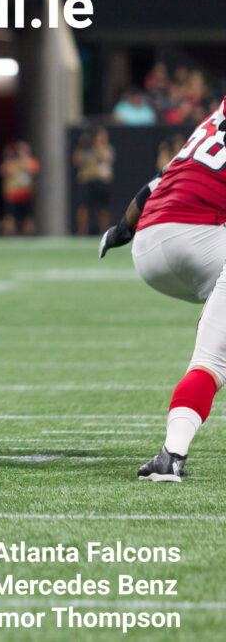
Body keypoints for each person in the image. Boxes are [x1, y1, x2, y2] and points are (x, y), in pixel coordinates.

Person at [100, 95, 226, 481]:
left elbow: (156, 183)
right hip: (200, 236)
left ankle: (171, 455)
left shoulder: (212, 122)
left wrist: (122, 228)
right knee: (213, 361)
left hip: (148, 245)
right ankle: (173, 451)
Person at [0, 141, 38, 236]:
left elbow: (34, 170)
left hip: (26, 194)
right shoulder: (11, 163)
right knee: (10, 216)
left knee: (28, 217)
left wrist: (24, 162)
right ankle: (10, 234)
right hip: (12, 194)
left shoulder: (31, 161)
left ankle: (28, 235)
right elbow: (3, 172)